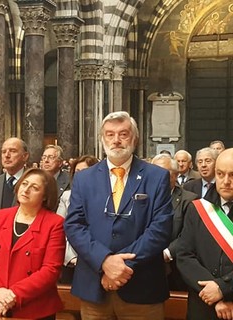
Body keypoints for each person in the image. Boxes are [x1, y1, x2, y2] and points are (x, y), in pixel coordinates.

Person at [65, 111, 174, 320]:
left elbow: (160, 229)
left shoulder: (156, 176)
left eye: (123, 134)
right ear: (102, 139)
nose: (116, 140)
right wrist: (104, 261)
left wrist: (121, 268)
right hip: (95, 287)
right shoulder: (84, 179)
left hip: (141, 287)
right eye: (110, 134)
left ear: (135, 138)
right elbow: (74, 226)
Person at [0, 168, 65, 319]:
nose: (26, 190)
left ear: (45, 196)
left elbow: (50, 270)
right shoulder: (1, 216)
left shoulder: (54, 223)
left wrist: (12, 296)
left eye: (34, 188)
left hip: (34, 310)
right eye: (24, 184)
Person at [177, 148, 233, 320]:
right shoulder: (197, 209)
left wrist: (223, 288)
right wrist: (212, 293)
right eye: (220, 174)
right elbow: (184, 255)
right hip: (203, 303)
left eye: (232, 175)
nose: (225, 181)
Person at [151, 153, 198, 291]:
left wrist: (167, 253)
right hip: (145, 266)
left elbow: (189, 234)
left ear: (175, 175)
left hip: (176, 269)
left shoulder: (189, 200)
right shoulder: (142, 197)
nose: (156, 178)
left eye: (162, 174)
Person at [57, 155, 99, 284]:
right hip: (71, 260)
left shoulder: (106, 196)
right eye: (77, 173)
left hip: (97, 259)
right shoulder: (67, 196)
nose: (80, 177)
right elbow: (59, 229)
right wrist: (71, 258)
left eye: (85, 172)